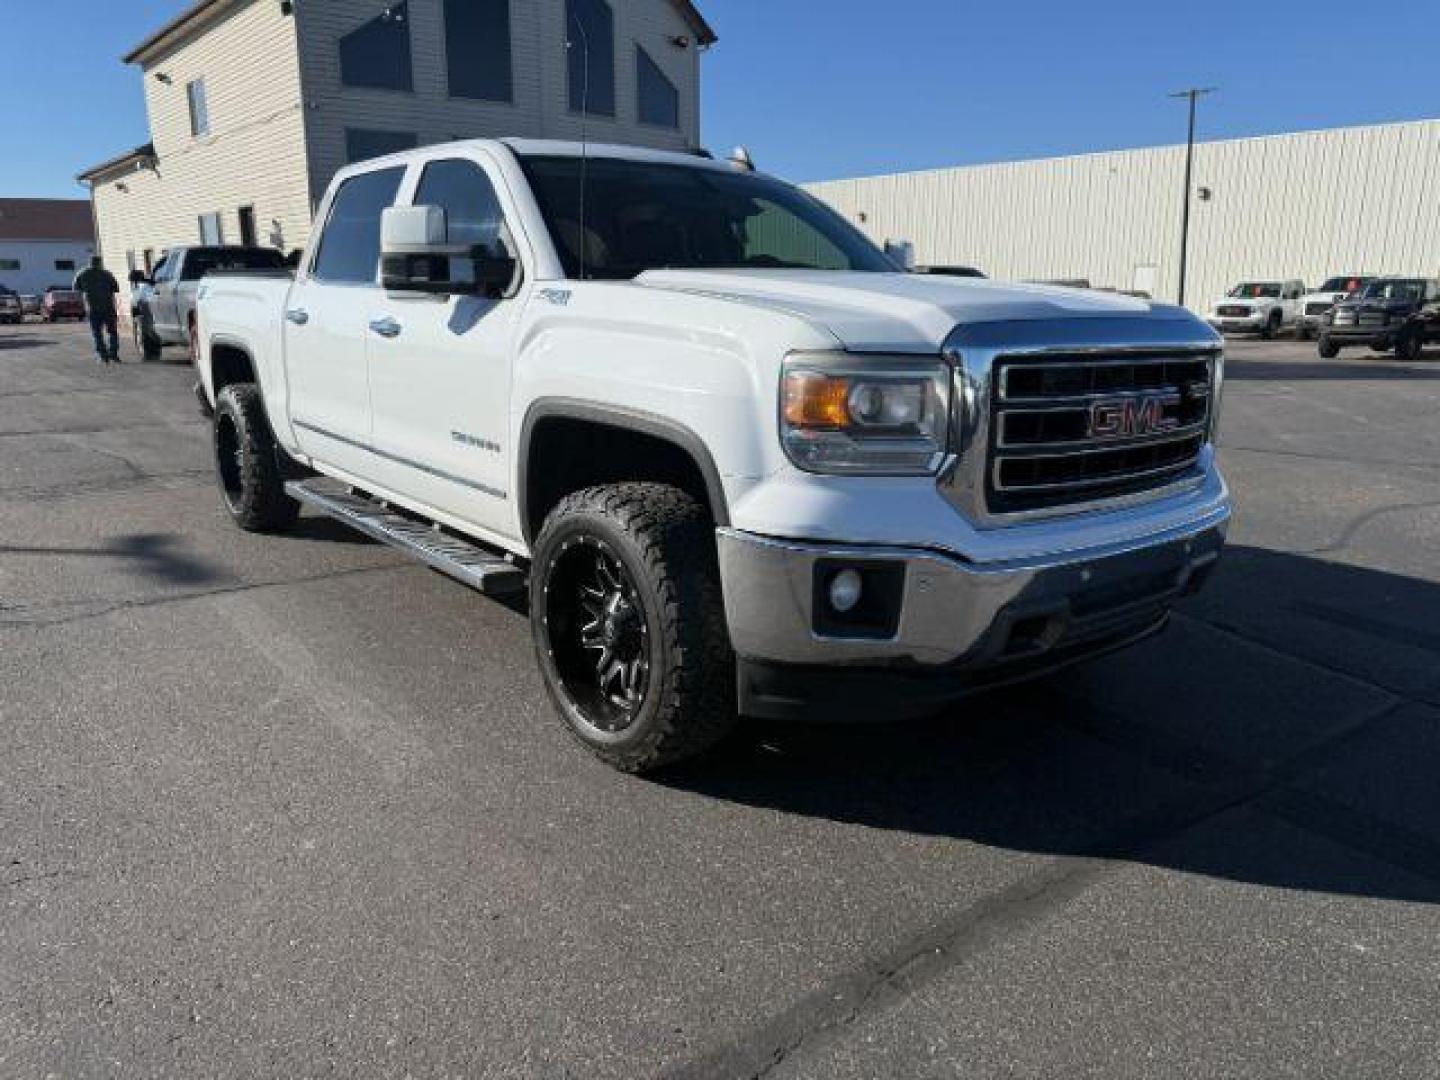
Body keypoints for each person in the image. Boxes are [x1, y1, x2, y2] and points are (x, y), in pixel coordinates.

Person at [74, 256, 122, 364]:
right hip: (108, 306)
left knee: (97, 333)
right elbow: (116, 288)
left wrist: (88, 289)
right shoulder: (107, 274)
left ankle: (102, 356)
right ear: (100, 263)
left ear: (89, 263)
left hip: (92, 307)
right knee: (112, 332)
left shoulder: (82, 274)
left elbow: (76, 287)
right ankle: (113, 354)